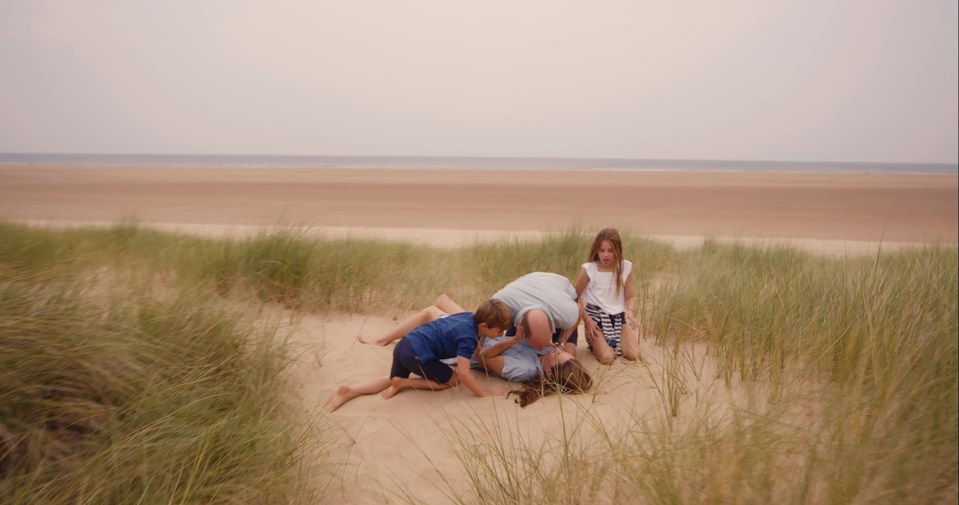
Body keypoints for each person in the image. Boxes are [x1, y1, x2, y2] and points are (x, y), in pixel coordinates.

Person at [326, 298, 513, 411]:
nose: (500, 335)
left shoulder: (468, 316)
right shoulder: (468, 338)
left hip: (405, 343)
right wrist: (484, 393)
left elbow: (472, 343)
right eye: (499, 331)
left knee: (391, 378)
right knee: (453, 379)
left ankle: (350, 390)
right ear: (484, 326)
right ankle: (406, 383)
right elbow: (464, 374)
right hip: (417, 355)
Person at [573, 228, 642, 364]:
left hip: (618, 320)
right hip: (596, 322)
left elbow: (630, 297)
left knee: (634, 355)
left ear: (618, 250)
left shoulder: (624, 268)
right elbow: (576, 296)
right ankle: (596, 343)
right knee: (607, 358)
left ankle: (614, 341)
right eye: (602, 250)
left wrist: (629, 310)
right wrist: (588, 321)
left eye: (610, 250)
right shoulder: (589, 269)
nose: (605, 255)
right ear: (596, 250)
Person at [490, 272, 581, 354]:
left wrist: (561, 342)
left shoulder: (565, 313)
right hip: (529, 286)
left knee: (566, 353)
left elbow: (580, 309)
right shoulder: (502, 302)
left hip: (558, 289)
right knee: (509, 348)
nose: (541, 349)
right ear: (521, 327)